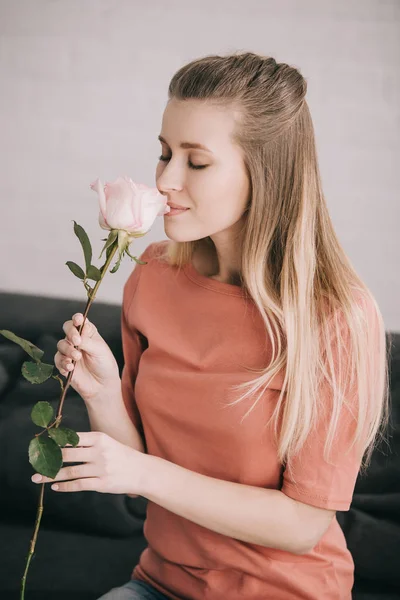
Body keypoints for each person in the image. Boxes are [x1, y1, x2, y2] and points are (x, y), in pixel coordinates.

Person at [54, 52, 391, 600]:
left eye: (197, 162)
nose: (165, 179)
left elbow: (302, 526)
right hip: (160, 583)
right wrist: (103, 393)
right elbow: (142, 473)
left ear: (266, 172)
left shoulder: (335, 316)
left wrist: (142, 474)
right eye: (164, 153)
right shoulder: (152, 275)